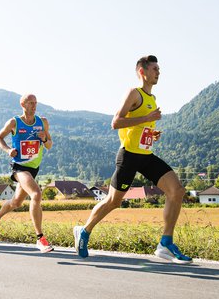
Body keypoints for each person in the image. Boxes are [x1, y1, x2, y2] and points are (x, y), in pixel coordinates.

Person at [73, 55, 192, 263]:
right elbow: (116, 122)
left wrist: (151, 132)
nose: (158, 72)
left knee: (177, 191)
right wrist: (147, 118)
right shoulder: (134, 93)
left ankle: (165, 243)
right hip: (128, 156)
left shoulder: (152, 99)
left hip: (145, 156)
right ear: (142, 72)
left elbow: (138, 128)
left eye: (159, 69)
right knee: (113, 201)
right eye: (155, 69)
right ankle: (84, 231)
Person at [0, 94, 54, 253]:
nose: (34, 105)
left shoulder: (42, 122)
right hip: (19, 166)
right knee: (36, 194)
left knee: (16, 202)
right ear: (22, 104)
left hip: (34, 168)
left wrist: (44, 139)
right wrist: (8, 150)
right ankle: (40, 238)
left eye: (36, 103)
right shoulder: (14, 122)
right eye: (31, 103)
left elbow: (49, 146)